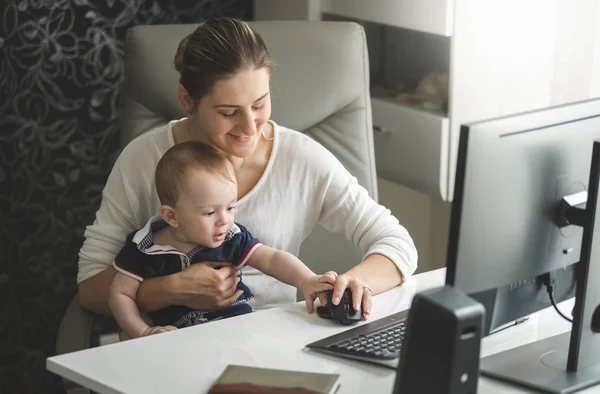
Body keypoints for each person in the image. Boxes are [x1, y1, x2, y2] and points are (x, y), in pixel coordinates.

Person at [78, 17, 418, 322]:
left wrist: (355, 283)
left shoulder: (299, 158)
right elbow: (91, 285)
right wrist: (167, 290)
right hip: (167, 346)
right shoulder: (145, 158)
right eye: (228, 112)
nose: (250, 128)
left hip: (270, 343)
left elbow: (396, 242)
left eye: (259, 105)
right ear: (186, 99)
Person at [108, 141, 336, 338]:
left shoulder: (231, 237)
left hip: (236, 333)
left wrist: (307, 280)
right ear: (171, 216)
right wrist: (143, 332)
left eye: (230, 208)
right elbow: (120, 295)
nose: (223, 221)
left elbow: (272, 259)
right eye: (209, 213)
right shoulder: (143, 248)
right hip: (174, 342)